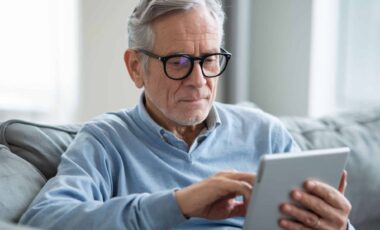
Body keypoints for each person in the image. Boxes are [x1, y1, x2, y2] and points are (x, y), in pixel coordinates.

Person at [20, 0, 354, 229]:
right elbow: (44, 220)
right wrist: (179, 203)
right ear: (136, 67)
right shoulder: (104, 141)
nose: (199, 81)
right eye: (177, 62)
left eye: (209, 59)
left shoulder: (265, 133)